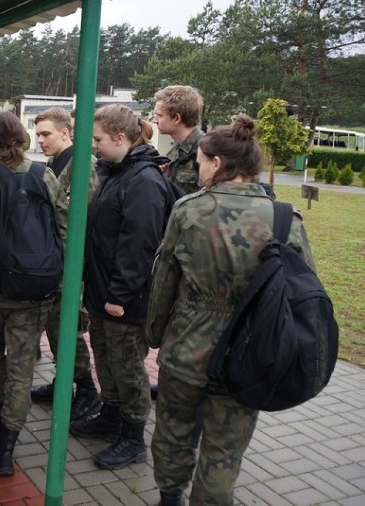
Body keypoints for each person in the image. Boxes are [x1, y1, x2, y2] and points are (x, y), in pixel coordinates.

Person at [147, 115, 315, 506]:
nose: (200, 168)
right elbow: (303, 288)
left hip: (187, 348)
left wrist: (155, 334)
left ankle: (169, 497)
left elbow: (164, 281)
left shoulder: (188, 210)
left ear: (218, 164)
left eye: (203, 162)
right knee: (224, 452)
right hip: (249, 354)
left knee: (172, 432)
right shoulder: (285, 218)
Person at [0, 111, 68, 476]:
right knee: (22, 368)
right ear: (22, 138)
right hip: (35, 290)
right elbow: (61, 229)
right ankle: (7, 439)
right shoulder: (45, 175)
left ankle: (3, 418)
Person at [69, 104, 177, 471]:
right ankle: (110, 415)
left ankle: (133, 437)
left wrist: (119, 295)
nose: (94, 147)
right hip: (104, 292)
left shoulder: (144, 181)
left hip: (125, 299)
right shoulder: (117, 172)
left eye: (98, 140)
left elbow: (139, 246)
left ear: (120, 138)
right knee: (107, 359)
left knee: (128, 367)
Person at [29, 107, 101, 423]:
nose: (40, 140)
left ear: (65, 132)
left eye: (46, 134)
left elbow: (75, 216)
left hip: (71, 261)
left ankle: (86, 389)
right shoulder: (56, 163)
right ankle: (65, 380)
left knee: (66, 327)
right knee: (55, 326)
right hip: (55, 258)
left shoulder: (82, 164)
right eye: (38, 134)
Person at [153, 85, 204, 195]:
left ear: (177, 118)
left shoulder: (206, 151)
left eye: (159, 116)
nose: (154, 120)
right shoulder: (175, 152)